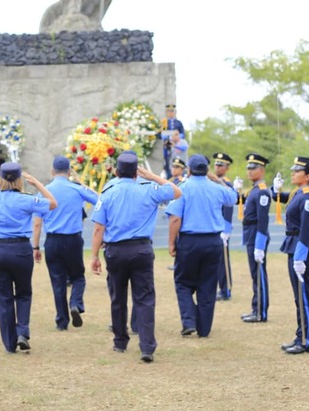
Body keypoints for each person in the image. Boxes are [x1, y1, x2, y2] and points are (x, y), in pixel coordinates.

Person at [90, 151, 181, 363]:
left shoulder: (109, 191)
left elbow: (98, 228)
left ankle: (120, 341)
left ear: (116, 171)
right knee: (145, 298)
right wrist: (151, 176)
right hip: (141, 249)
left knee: (118, 297)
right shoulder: (148, 189)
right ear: (136, 172)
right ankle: (147, 346)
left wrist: (94, 255)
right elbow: (176, 191)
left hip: (116, 250)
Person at [0, 162, 57, 353]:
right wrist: (37, 183)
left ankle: (9, 343)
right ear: (20, 179)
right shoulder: (27, 199)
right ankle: (22, 331)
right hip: (21, 249)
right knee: (23, 293)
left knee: (4, 298)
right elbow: (53, 204)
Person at [166, 155, 237, 338]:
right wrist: (218, 180)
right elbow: (233, 198)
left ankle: (189, 321)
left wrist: (172, 242)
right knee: (208, 284)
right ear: (207, 170)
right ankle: (204, 328)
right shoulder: (216, 188)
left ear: (188, 170)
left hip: (189, 241)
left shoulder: (182, 188)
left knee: (183, 282)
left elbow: (175, 218)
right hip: (213, 241)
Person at [32, 156, 99, 330]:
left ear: (52, 171)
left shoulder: (45, 191)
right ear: (69, 171)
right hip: (73, 239)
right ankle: (75, 303)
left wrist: (36, 246)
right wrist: (82, 184)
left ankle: (62, 321)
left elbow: (37, 222)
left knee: (57, 280)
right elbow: (99, 200)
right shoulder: (76, 188)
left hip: (52, 241)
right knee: (78, 277)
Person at [272, 157, 309, 354]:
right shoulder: (297, 193)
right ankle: (300, 334)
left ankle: (306, 340)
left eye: (297, 171)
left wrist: (300, 257)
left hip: (300, 248)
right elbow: (280, 197)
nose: (292, 173)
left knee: (304, 295)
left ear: (307, 176)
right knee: (298, 296)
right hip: (293, 246)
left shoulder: (307, 197)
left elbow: (305, 229)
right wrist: (275, 189)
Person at [237, 153, 272, 323]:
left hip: (257, 234)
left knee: (259, 274)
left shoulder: (262, 192)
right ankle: (255, 307)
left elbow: (263, 220)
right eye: (248, 168)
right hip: (250, 233)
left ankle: (261, 312)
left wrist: (259, 244)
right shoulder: (254, 190)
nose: (249, 171)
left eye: (253, 168)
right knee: (254, 274)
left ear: (262, 170)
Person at [213, 152, 235, 300]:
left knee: (223, 261)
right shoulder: (215, 182)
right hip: (215, 226)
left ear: (226, 167)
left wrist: (226, 229)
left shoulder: (226, 184)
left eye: (220, 165)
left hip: (222, 227)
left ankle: (226, 290)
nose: (217, 167)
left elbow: (228, 207)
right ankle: (221, 288)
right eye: (216, 164)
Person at [158, 104, 185, 179]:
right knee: (167, 162)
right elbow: (159, 134)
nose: (171, 113)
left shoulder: (178, 123)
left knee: (177, 162)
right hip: (167, 146)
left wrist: (176, 137)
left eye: (172, 111)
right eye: (169, 111)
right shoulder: (164, 122)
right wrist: (165, 136)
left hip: (176, 147)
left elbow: (183, 134)